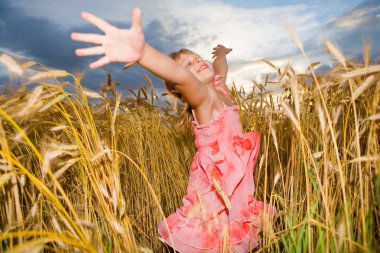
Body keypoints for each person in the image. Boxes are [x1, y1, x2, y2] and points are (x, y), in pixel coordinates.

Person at [71, 8, 277, 253]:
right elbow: (183, 77)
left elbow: (220, 68)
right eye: (189, 64)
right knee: (217, 239)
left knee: (235, 232)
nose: (198, 62)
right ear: (181, 91)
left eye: (197, 58)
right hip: (214, 195)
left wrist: (221, 52)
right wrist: (143, 53)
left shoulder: (219, 88)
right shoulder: (203, 98)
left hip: (236, 190)